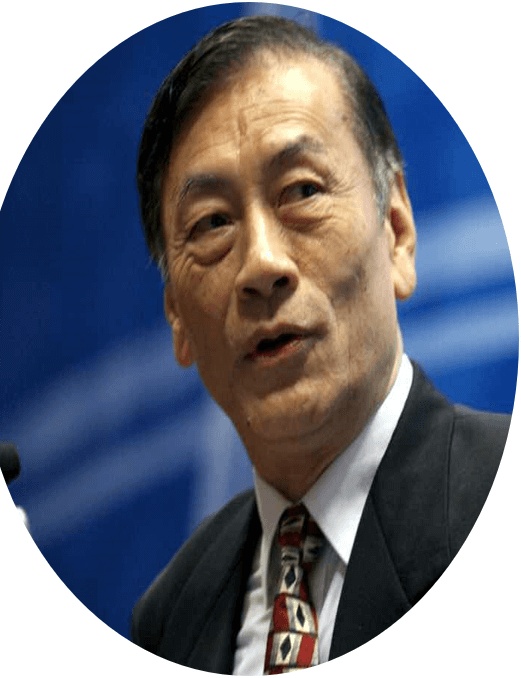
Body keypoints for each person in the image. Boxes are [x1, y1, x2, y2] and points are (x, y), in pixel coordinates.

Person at [131, 15, 510, 672]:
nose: (261, 263)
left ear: (396, 231)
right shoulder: (168, 618)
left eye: (302, 191)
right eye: (212, 223)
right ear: (176, 319)